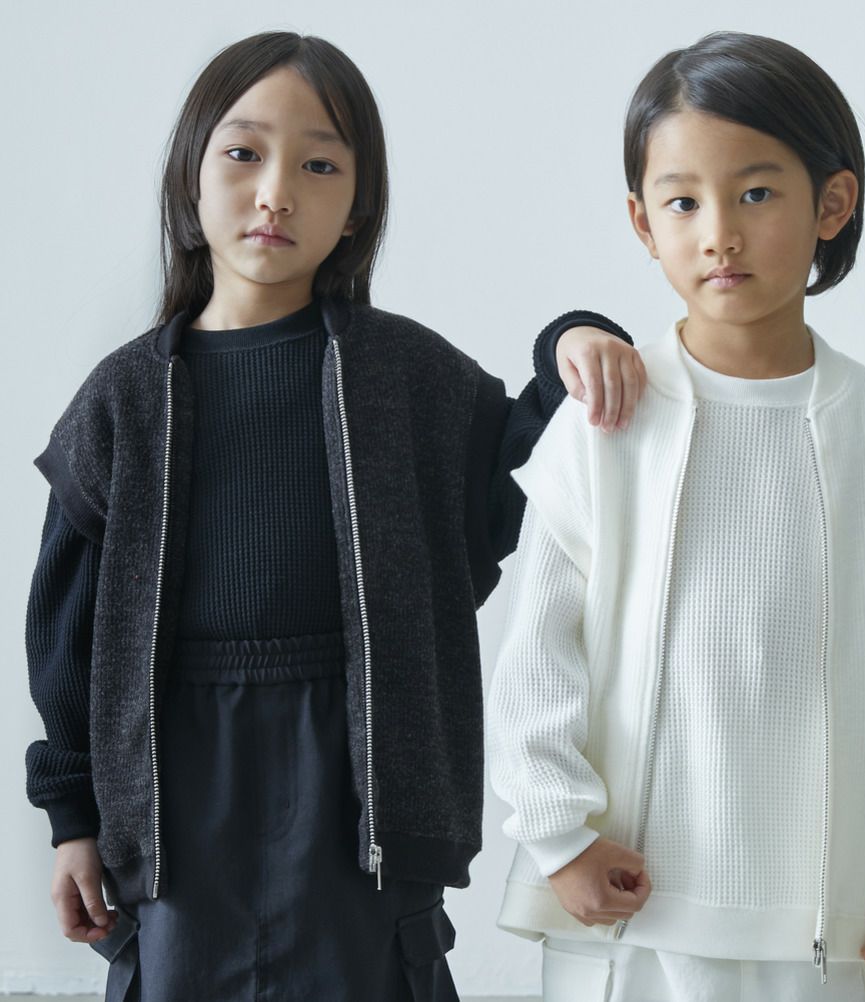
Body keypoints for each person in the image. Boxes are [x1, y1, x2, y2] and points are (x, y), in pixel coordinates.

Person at [23, 31, 645, 1002]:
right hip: (181, 783)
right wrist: (73, 821)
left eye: (319, 166)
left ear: (357, 208)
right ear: (190, 177)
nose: (276, 192)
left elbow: (535, 465)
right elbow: (66, 631)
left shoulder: (405, 377)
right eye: (244, 153)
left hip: (362, 778)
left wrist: (573, 337)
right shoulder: (124, 401)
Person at [487, 30, 865, 1002]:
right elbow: (539, 654)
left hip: (819, 923)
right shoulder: (607, 420)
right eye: (684, 202)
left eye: (756, 193)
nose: (719, 232)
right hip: (625, 908)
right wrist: (558, 836)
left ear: (831, 203)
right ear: (643, 222)